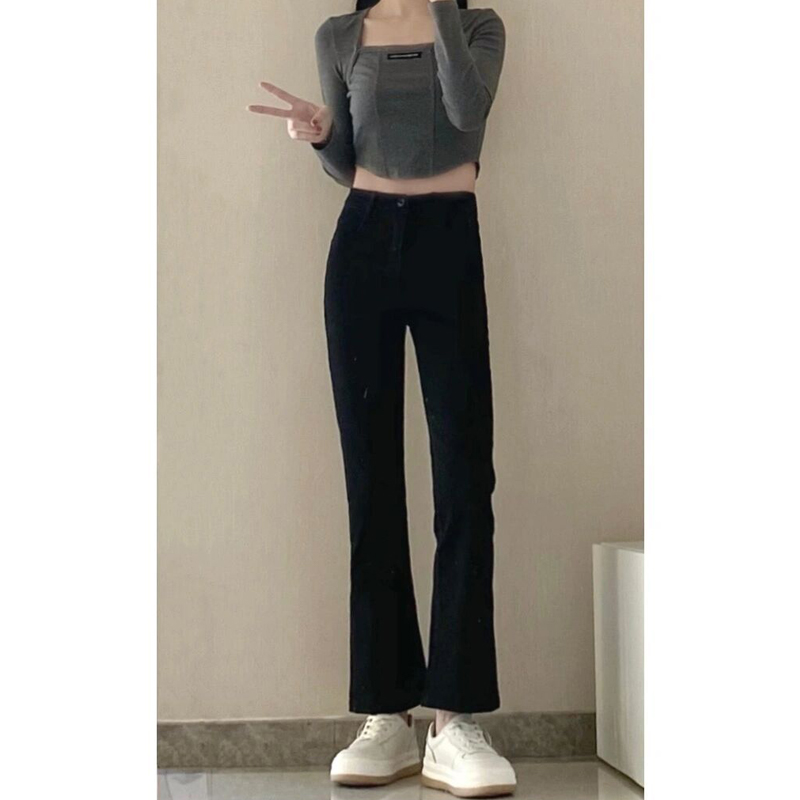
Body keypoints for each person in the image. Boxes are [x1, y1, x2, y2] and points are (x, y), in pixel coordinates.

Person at [248, 0, 515, 795]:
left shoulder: (479, 27)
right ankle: (385, 713)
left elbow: (466, 115)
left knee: (464, 480)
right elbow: (347, 163)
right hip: (362, 242)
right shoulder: (338, 35)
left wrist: (436, 10)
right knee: (371, 484)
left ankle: (454, 718)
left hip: (448, 239)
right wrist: (321, 135)